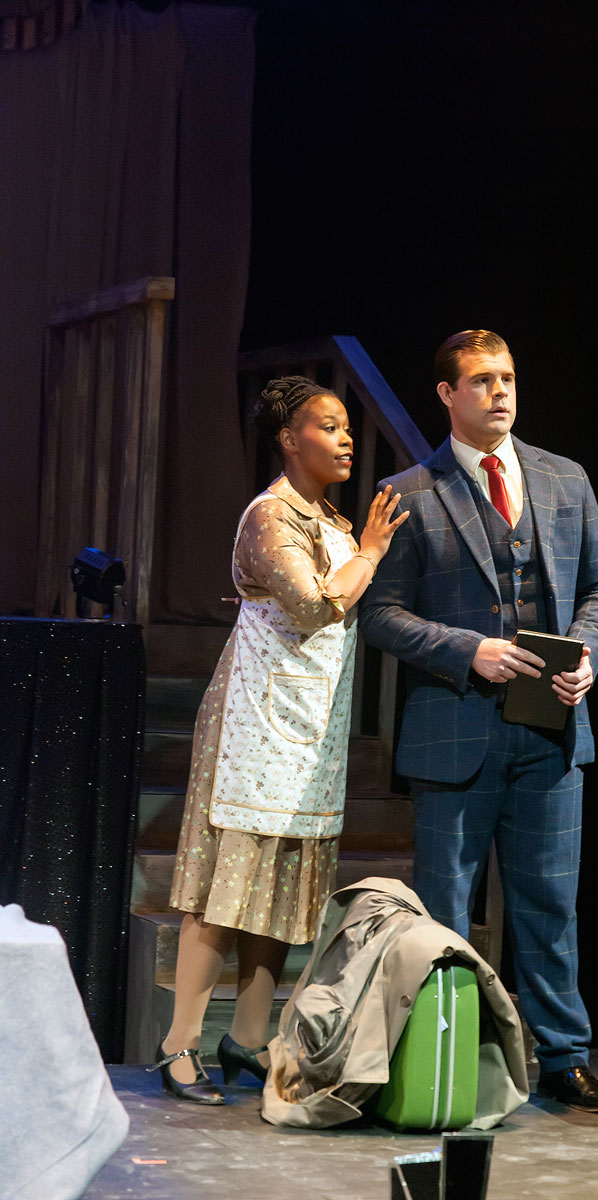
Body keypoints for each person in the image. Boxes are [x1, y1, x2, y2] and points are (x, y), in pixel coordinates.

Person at [358, 330, 598, 1112]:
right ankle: (445, 1059)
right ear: (447, 393)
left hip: (551, 728)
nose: (500, 391)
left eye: (506, 377)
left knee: (550, 905)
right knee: (444, 908)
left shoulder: (565, 479)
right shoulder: (410, 491)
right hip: (455, 729)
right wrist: (466, 650)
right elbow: (379, 613)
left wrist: (589, 653)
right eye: (481, 380)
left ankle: (564, 1059)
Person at [152, 376, 408, 1104]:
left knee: (281, 889)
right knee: (228, 888)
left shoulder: (328, 519)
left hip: (309, 728)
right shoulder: (271, 515)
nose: (347, 438)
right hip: (255, 728)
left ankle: (249, 1038)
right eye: (329, 427)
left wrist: (362, 548)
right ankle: (178, 1045)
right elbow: (313, 606)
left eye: (348, 426)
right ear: (290, 440)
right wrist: (370, 552)